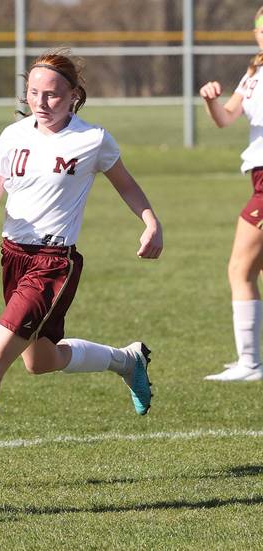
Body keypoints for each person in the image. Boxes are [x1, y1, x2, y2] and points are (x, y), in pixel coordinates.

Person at [0, 49, 164, 490]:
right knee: (40, 361)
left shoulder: (92, 139)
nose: (41, 102)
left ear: (74, 97)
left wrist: (151, 222)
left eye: (52, 95)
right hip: (13, 257)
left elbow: (126, 184)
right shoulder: (12, 135)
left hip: (52, 264)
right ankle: (127, 360)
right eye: (33, 93)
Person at [199, 6, 263, 382]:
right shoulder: (254, 72)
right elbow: (225, 118)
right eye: (261, 27)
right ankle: (250, 361)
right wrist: (210, 100)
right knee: (249, 268)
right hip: (257, 178)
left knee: (239, 268)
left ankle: (251, 364)